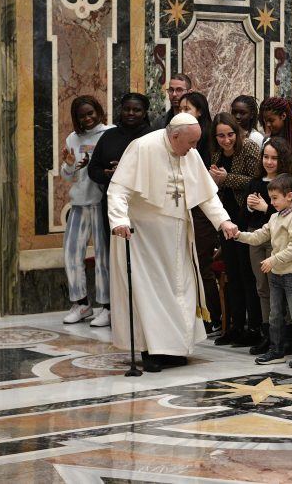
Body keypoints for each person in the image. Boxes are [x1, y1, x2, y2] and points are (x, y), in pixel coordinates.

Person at [107, 113, 238, 373]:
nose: (194, 149)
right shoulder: (143, 147)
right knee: (149, 292)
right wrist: (119, 220)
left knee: (181, 290)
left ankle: (173, 348)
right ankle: (150, 350)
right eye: (191, 143)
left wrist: (223, 221)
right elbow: (118, 189)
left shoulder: (189, 152)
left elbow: (206, 194)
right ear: (175, 135)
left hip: (178, 235)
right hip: (144, 237)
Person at [235, 174, 292, 368]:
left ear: (289, 196)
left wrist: (273, 259)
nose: (271, 202)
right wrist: (238, 235)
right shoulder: (274, 217)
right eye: (270, 198)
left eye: (274, 198)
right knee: (275, 315)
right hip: (277, 273)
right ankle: (277, 350)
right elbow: (259, 236)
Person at [208, 112, 263, 347]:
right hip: (226, 219)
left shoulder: (249, 148)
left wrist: (227, 178)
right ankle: (235, 325)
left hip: (246, 219)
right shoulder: (217, 154)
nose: (226, 140)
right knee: (233, 273)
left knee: (247, 274)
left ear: (237, 132)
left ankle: (254, 327)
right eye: (221, 136)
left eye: (230, 134)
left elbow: (257, 180)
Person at [245, 137, 292, 355]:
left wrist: (265, 208)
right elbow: (244, 215)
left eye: (274, 158)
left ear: (282, 159)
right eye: (266, 157)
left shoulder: (288, 183)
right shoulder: (255, 181)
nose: (269, 162)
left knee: (279, 286)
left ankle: (287, 335)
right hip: (256, 235)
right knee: (262, 287)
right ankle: (268, 334)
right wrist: (249, 208)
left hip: (278, 238)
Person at [60, 95, 113, 327]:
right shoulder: (73, 138)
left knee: (103, 257)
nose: (87, 118)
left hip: (101, 203)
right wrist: (70, 164)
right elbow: (66, 176)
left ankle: (107, 307)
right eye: (82, 116)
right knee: (71, 254)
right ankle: (81, 304)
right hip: (79, 203)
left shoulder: (109, 133)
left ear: (98, 111)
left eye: (90, 113)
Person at [178, 92, 222, 335]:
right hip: (186, 208)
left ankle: (212, 317)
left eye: (187, 108)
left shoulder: (204, 140)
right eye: (180, 108)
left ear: (200, 111)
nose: (182, 112)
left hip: (202, 210)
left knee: (202, 264)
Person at [88, 93, 153, 242]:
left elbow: (158, 171)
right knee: (115, 247)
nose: (130, 113)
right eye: (126, 109)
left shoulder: (153, 136)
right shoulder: (109, 136)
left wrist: (126, 171)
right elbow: (93, 169)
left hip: (143, 203)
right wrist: (107, 174)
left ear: (144, 113)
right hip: (113, 202)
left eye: (136, 110)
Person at [259, 97, 292, 178]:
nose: (268, 124)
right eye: (266, 121)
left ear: (283, 116)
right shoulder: (267, 140)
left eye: (271, 121)